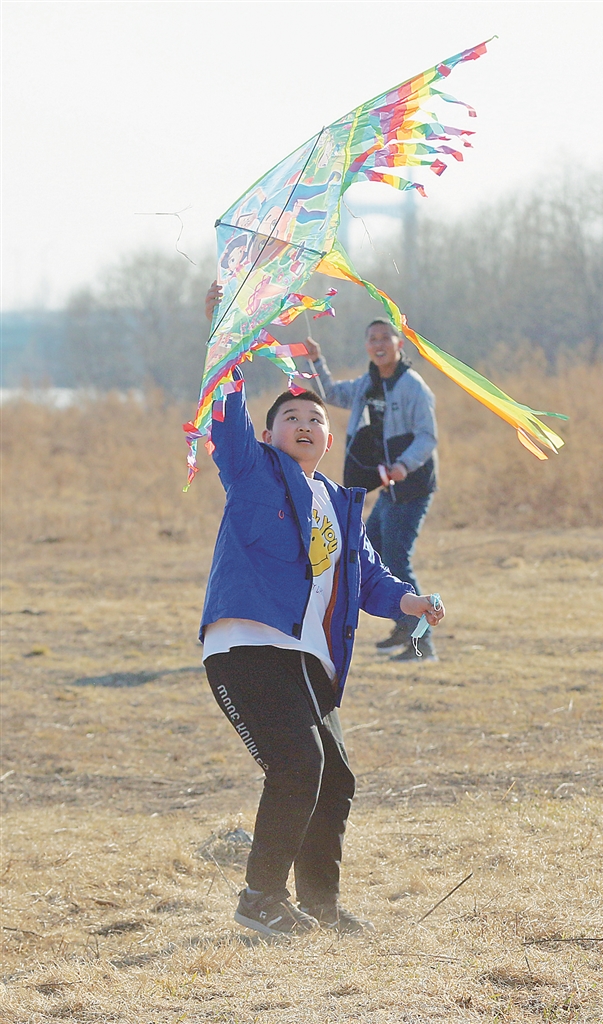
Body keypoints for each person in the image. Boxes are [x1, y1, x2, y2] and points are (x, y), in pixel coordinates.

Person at [200, 282, 445, 938]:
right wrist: (224, 335)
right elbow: (223, 414)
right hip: (248, 646)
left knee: (333, 777)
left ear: (329, 438)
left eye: (315, 420)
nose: (305, 425)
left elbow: (368, 578)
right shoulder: (252, 471)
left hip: (307, 660)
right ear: (268, 434)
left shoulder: (338, 503)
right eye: (291, 418)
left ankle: (320, 907)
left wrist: (409, 601)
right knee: (297, 765)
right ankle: (260, 898)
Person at [304, 320, 439, 661]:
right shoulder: (368, 384)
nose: (379, 344)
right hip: (388, 489)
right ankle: (403, 625)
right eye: (372, 339)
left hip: (412, 486)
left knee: (397, 560)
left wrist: (403, 466)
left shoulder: (413, 387)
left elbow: (427, 437)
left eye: (385, 338)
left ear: (399, 343)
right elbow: (331, 394)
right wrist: (316, 361)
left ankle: (423, 644)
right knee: (376, 552)